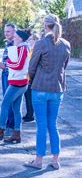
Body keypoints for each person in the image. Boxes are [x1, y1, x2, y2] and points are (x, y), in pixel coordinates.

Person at [24, 14, 71, 170]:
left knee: (42, 125)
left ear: (45, 26)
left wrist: (30, 79)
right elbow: (64, 67)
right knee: (53, 125)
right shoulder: (66, 44)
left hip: (40, 88)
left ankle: (38, 160)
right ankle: (56, 160)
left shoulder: (41, 44)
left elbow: (31, 67)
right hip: (57, 89)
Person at [0, 30, 31, 143]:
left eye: (16, 36)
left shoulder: (23, 48)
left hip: (18, 82)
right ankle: (16, 134)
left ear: (21, 38)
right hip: (19, 81)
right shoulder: (19, 48)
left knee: (5, 105)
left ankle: (1, 130)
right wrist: (8, 63)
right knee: (16, 109)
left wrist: (6, 64)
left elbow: (19, 65)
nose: (14, 38)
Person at [22, 33, 40, 123]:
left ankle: (30, 115)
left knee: (30, 97)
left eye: (30, 39)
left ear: (35, 40)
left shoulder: (35, 50)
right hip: (29, 76)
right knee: (28, 96)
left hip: (32, 77)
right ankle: (29, 114)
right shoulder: (31, 49)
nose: (28, 41)